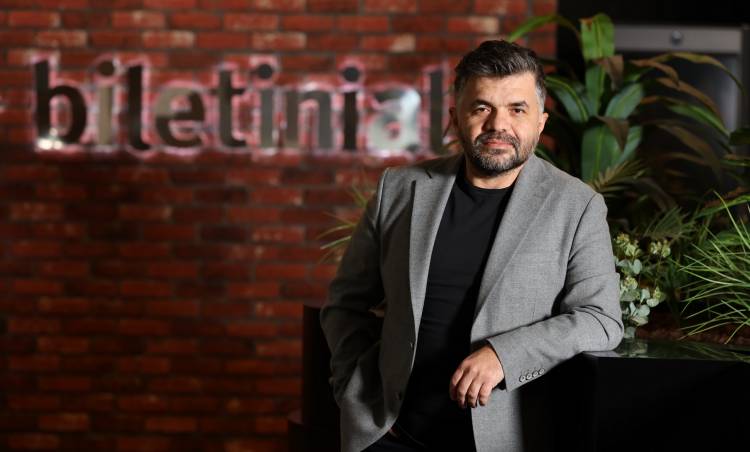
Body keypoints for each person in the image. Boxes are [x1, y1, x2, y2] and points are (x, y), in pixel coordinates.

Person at [320, 40, 623, 452]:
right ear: (455, 118)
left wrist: (504, 355)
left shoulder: (577, 206)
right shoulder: (400, 189)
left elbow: (600, 320)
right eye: (482, 108)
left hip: (504, 440)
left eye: (517, 109)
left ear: (541, 123)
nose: (499, 124)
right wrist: (351, 391)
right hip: (390, 436)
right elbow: (345, 304)